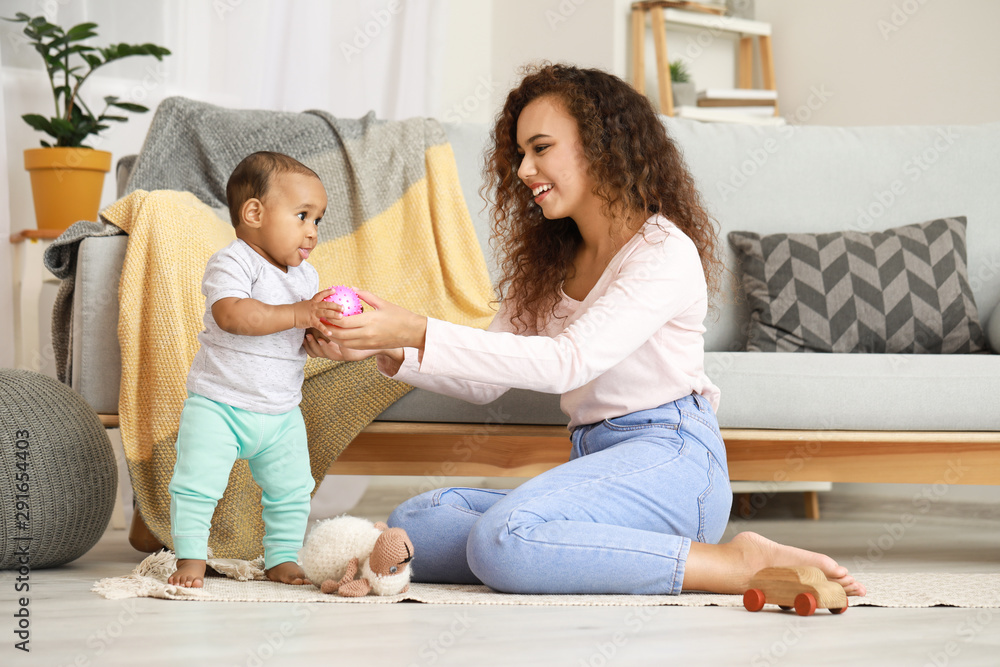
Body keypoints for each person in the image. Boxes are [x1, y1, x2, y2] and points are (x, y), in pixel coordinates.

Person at [306, 63, 867, 598]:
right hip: (596, 461)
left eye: (541, 149)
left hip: (672, 461)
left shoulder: (662, 251)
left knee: (502, 541)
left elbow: (566, 363)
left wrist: (417, 325)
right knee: (416, 521)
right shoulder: (553, 262)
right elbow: (486, 380)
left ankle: (728, 560)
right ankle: (549, 545)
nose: (524, 170)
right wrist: (387, 340)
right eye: (520, 154)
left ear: (602, 147)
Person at [168, 151, 339, 588]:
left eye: (318, 220)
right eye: (302, 215)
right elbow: (234, 316)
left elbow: (289, 335)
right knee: (197, 485)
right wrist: (301, 314)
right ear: (254, 212)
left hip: (281, 413)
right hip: (220, 405)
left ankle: (281, 556)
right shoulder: (233, 262)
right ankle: (189, 557)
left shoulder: (304, 277)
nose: (312, 231)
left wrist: (319, 338)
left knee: (292, 489)